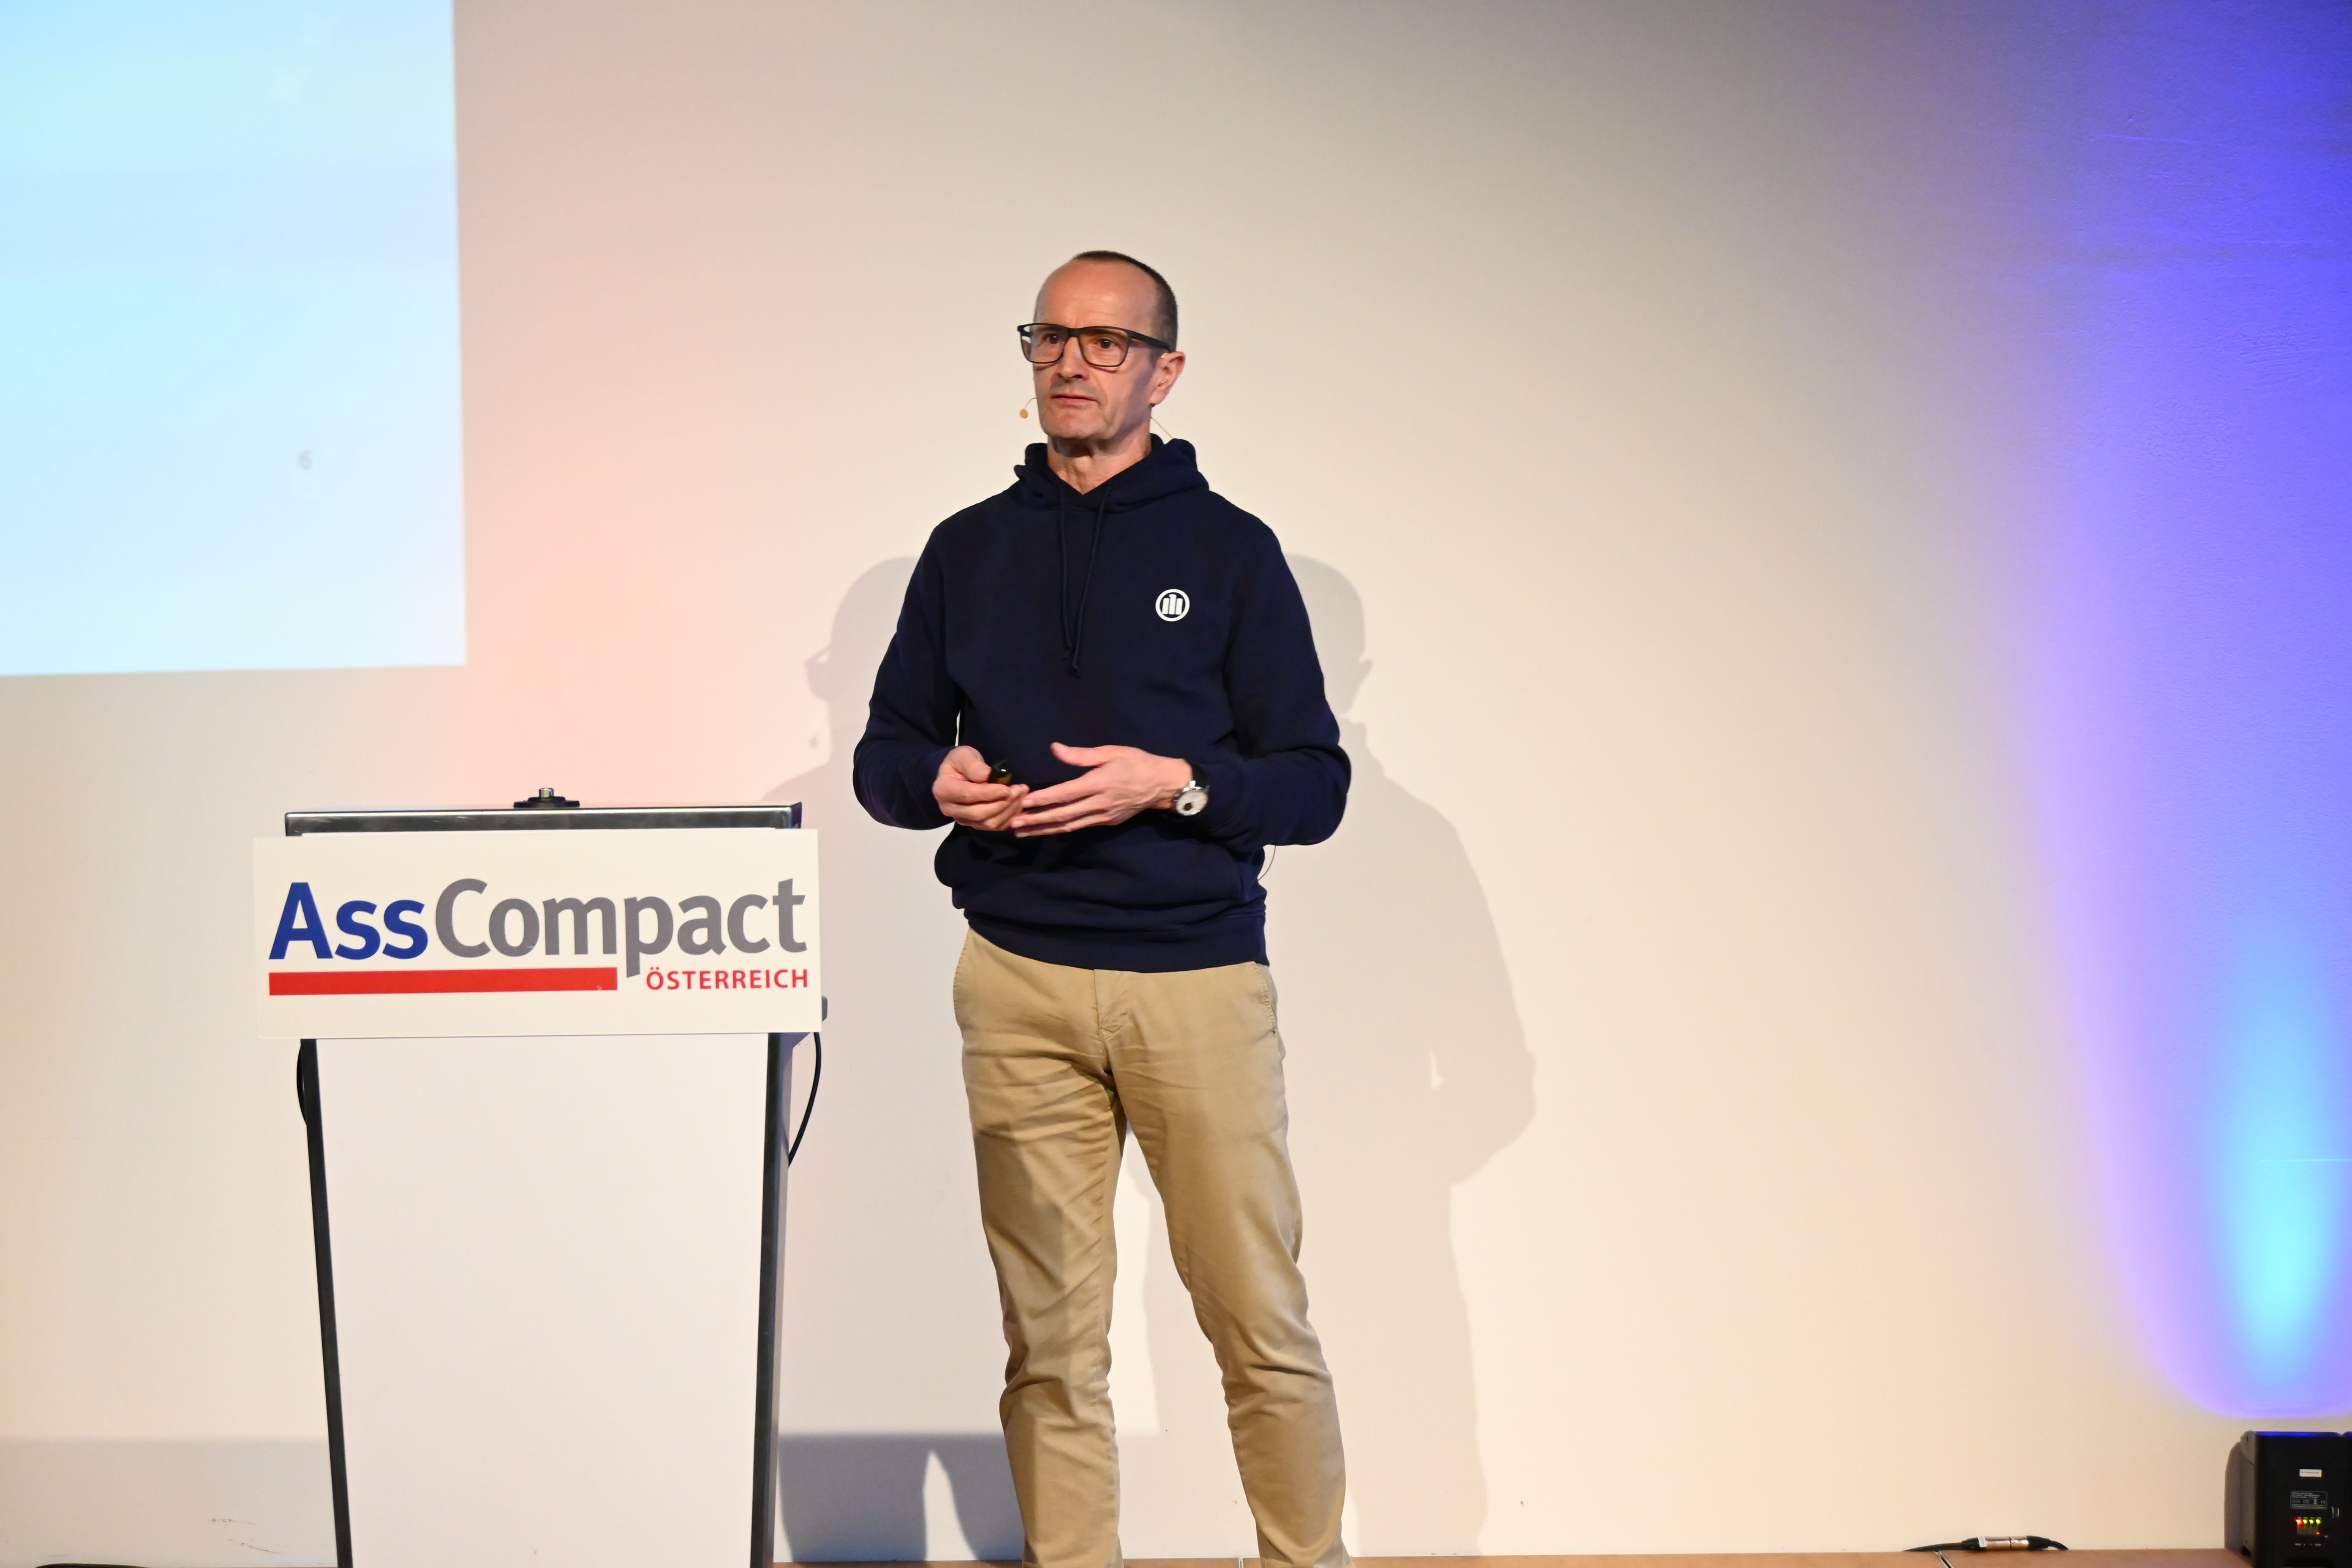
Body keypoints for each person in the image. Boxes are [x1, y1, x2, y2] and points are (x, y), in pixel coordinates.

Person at [853, 250, 1353, 1568]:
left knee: (1257, 1322)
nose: (1071, 363)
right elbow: (885, 758)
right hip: (1017, 980)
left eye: (1106, 343)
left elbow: (1314, 786)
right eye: (1050, 338)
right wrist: (936, 780)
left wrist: (1175, 783)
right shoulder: (967, 551)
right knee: (1050, 1343)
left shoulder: (1232, 554)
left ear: (1164, 372)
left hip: (1195, 983)